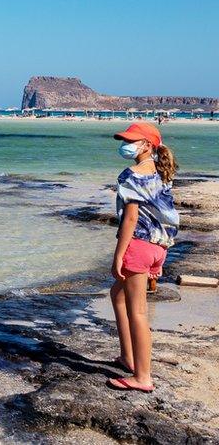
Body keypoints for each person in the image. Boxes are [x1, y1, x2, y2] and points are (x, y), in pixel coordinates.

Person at [107, 122, 179, 393]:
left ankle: (143, 377)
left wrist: (118, 255)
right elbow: (167, 213)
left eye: (130, 139)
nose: (125, 144)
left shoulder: (131, 175)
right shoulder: (163, 173)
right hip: (158, 247)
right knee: (118, 294)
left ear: (147, 145)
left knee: (138, 311)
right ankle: (128, 357)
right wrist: (159, 256)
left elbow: (131, 218)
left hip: (138, 245)